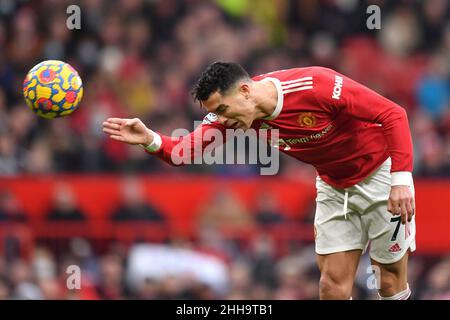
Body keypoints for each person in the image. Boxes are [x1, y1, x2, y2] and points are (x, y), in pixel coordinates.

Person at [102, 62, 416, 300]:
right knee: (331, 286)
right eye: (216, 113)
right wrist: (149, 139)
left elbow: (393, 114)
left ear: (245, 91)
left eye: (223, 110)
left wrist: (400, 180)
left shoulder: (317, 85)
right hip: (334, 187)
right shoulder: (235, 115)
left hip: (382, 178)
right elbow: (184, 152)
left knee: (388, 281)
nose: (221, 120)